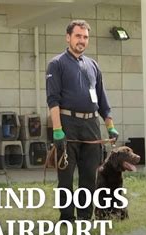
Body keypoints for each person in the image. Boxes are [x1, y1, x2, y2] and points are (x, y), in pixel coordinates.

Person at [46, 20, 119, 221]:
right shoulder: (57, 63)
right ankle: (67, 218)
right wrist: (57, 131)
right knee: (66, 177)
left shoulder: (93, 65)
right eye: (78, 36)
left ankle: (85, 217)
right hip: (67, 125)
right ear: (68, 37)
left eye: (85, 37)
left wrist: (110, 127)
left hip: (91, 126)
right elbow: (53, 100)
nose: (82, 40)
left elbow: (102, 99)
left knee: (89, 176)